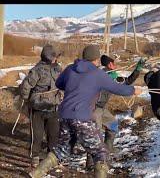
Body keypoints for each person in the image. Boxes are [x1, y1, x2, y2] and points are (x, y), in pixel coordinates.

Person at [29, 45, 142, 178]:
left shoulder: (71, 68)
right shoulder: (98, 74)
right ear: (96, 59)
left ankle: (36, 173)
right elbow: (117, 88)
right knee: (100, 153)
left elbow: (59, 84)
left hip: (65, 115)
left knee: (62, 149)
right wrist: (133, 90)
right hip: (82, 117)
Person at [20, 44, 62, 168]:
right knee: (37, 135)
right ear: (50, 57)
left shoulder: (58, 69)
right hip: (37, 107)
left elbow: (63, 84)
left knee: (53, 135)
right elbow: (26, 86)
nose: (56, 59)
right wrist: (26, 98)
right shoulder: (37, 70)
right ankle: (35, 158)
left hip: (53, 107)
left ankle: (51, 158)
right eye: (55, 56)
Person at [95, 55, 146, 153]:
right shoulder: (101, 74)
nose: (116, 66)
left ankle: (108, 148)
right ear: (110, 64)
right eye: (114, 64)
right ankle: (93, 163)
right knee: (96, 136)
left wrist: (138, 68)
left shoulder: (111, 76)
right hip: (93, 108)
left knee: (113, 124)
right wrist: (133, 91)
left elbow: (127, 81)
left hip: (102, 108)